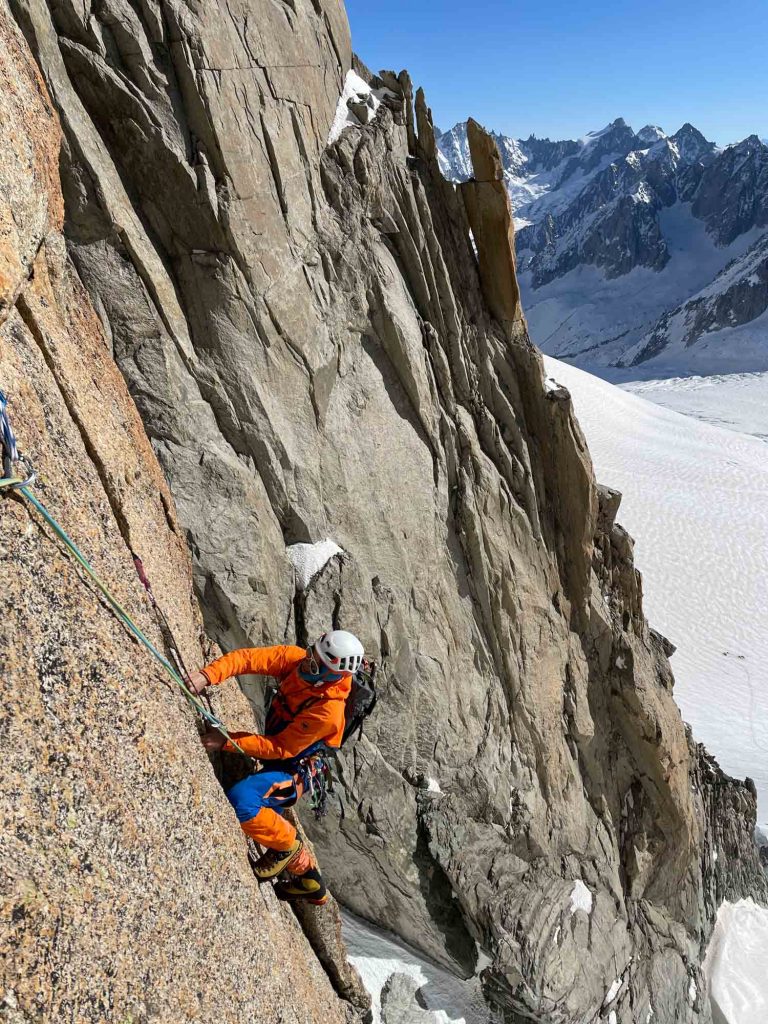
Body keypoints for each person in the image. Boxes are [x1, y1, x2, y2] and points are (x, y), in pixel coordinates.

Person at [189, 630, 364, 886]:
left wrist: (226, 741)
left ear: (335, 675)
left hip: (294, 773)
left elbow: (281, 749)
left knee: (243, 802)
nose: (307, 662)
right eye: (310, 653)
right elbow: (248, 659)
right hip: (281, 760)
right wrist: (208, 675)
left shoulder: (328, 711)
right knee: (261, 804)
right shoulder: (297, 661)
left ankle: (289, 846)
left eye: (316, 664)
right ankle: (307, 879)